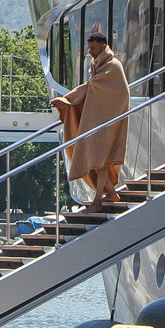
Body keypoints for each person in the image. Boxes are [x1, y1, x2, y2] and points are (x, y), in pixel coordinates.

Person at [50, 32, 130, 212]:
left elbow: (98, 88)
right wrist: (68, 101)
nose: (90, 51)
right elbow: (92, 87)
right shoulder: (98, 66)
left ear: (103, 46)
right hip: (99, 120)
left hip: (109, 120)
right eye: (89, 47)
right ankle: (111, 194)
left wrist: (69, 99)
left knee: (100, 160)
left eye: (93, 47)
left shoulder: (113, 66)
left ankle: (98, 201)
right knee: (99, 160)